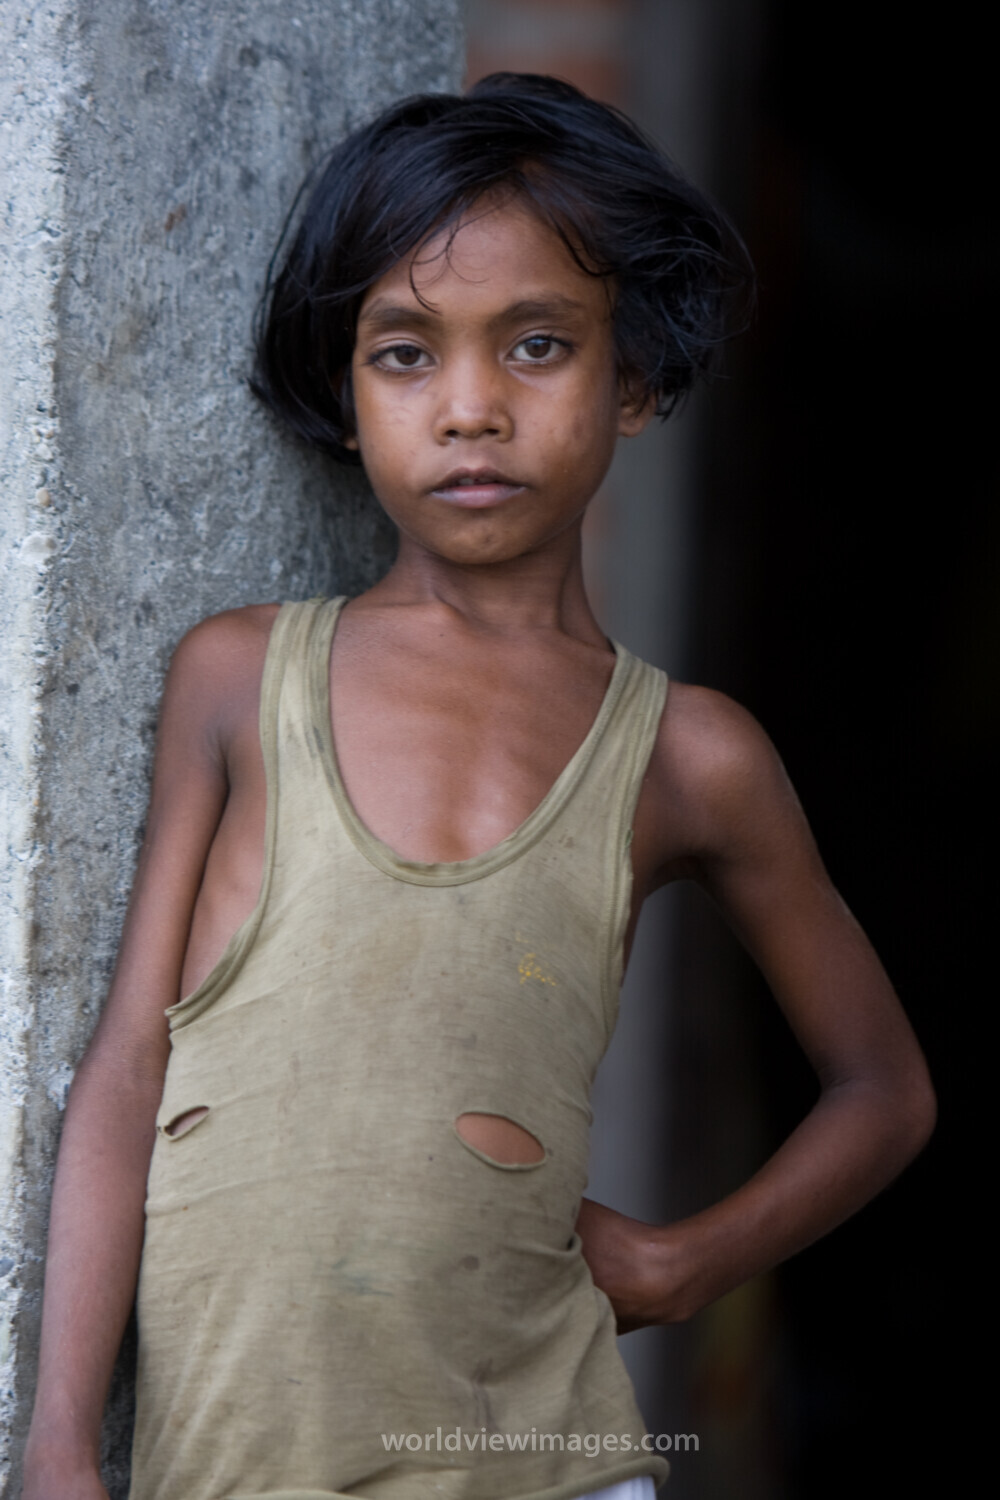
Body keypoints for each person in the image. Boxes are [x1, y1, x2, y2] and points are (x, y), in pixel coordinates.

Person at [22, 73, 935, 1500]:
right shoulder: (241, 682)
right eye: (404, 353)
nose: (468, 409)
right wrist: (61, 1442)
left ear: (630, 380)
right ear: (342, 391)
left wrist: (687, 1262)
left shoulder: (687, 755)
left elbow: (884, 1088)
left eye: (535, 346)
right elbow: (131, 1070)